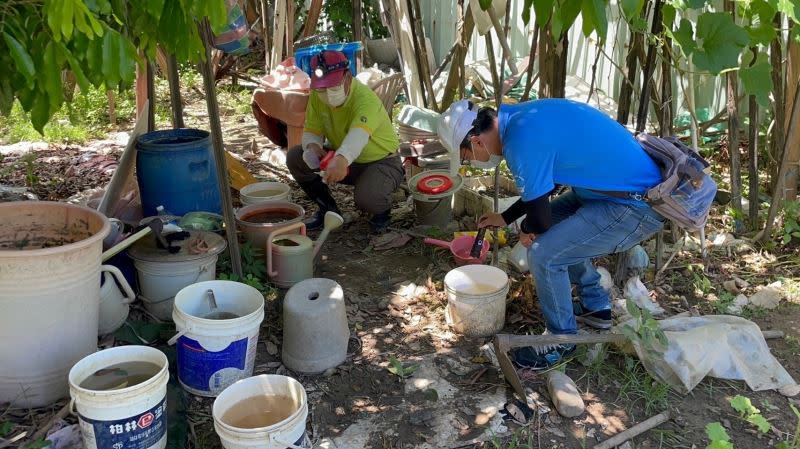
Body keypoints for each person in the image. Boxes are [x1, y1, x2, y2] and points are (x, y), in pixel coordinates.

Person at [438, 99, 666, 369]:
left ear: (476, 142)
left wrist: (526, 229)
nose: (471, 163)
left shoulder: (519, 142)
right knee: (556, 240)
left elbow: (541, 220)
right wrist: (506, 217)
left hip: (635, 206)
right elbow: (545, 184)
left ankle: (561, 339)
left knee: (544, 254)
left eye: (466, 158)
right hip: (607, 194)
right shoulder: (520, 118)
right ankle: (596, 307)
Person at [286, 50, 404, 232]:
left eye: (333, 87)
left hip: (381, 162)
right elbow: (311, 129)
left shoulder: (365, 100)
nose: (326, 94)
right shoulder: (317, 97)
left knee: (368, 199)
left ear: (348, 77)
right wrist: (313, 147)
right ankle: (328, 210)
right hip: (343, 158)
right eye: (322, 88)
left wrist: (341, 159)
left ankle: (382, 213)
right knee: (296, 157)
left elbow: (358, 136)